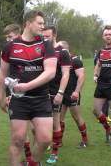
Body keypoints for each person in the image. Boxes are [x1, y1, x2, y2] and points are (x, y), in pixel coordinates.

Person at [0, 10, 57, 166]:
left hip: (41, 98)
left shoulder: (45, 44)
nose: (43, 27)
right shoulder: (10, 46)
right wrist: (0, 97)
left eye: (43, 24)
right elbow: (2, 74)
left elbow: (50, 72)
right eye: (40, 23)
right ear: (28, 23)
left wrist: (27, 86)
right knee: (17, 140)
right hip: (19, 100)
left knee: (45, 140)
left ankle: (33, 163)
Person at [3, 23, 34, 162]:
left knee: (35, 129)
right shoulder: (8, 52)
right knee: (20, 133)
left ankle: (35, 154)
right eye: (6, 38)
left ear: (18, 35)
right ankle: (29, 158)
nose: (8, 40)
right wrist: (7, 96)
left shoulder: (29, 49)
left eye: (10, 37)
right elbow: (5, 78)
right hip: (15, 97)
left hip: (33, 96)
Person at [42, 26, 71, 164]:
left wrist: (60, 93)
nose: (45, 39)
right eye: (44, 36)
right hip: (40, 93)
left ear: (55, 35)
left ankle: (54, 153)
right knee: (37, 125)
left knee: (55, 123)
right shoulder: (40, 50)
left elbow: (66, 74)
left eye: (48, 36)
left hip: (55, 93)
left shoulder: (62, 52)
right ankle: (45, 143)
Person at [57, 41, 88, 149]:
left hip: (72, 93)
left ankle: (85, 139)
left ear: (64, 49)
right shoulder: (60, 61)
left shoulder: (75, 61)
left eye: (59, 47)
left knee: (76, 117)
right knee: (59, 119)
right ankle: (59, 140)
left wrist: (76, 91)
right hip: (61, 93)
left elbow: (81, 76)